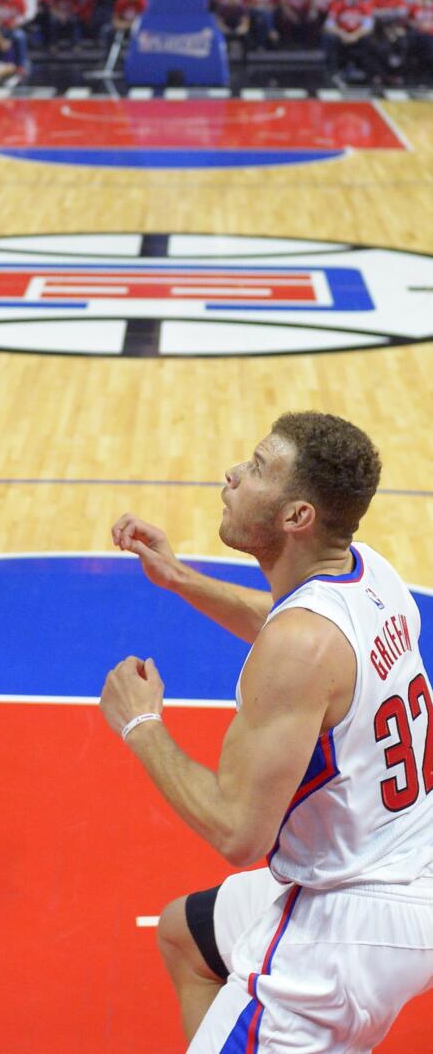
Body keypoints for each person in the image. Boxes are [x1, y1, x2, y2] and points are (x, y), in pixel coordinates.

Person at [101, 412, 433, 1053]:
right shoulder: (370, 575)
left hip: (346, 927)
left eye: (257, 467)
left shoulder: (301, 647)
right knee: (185, 935)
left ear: (297, 517)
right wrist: (180, 579)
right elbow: (293, 630)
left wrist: (141, 724)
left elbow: (236, 831)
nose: (233, 473)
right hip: (413, 866)